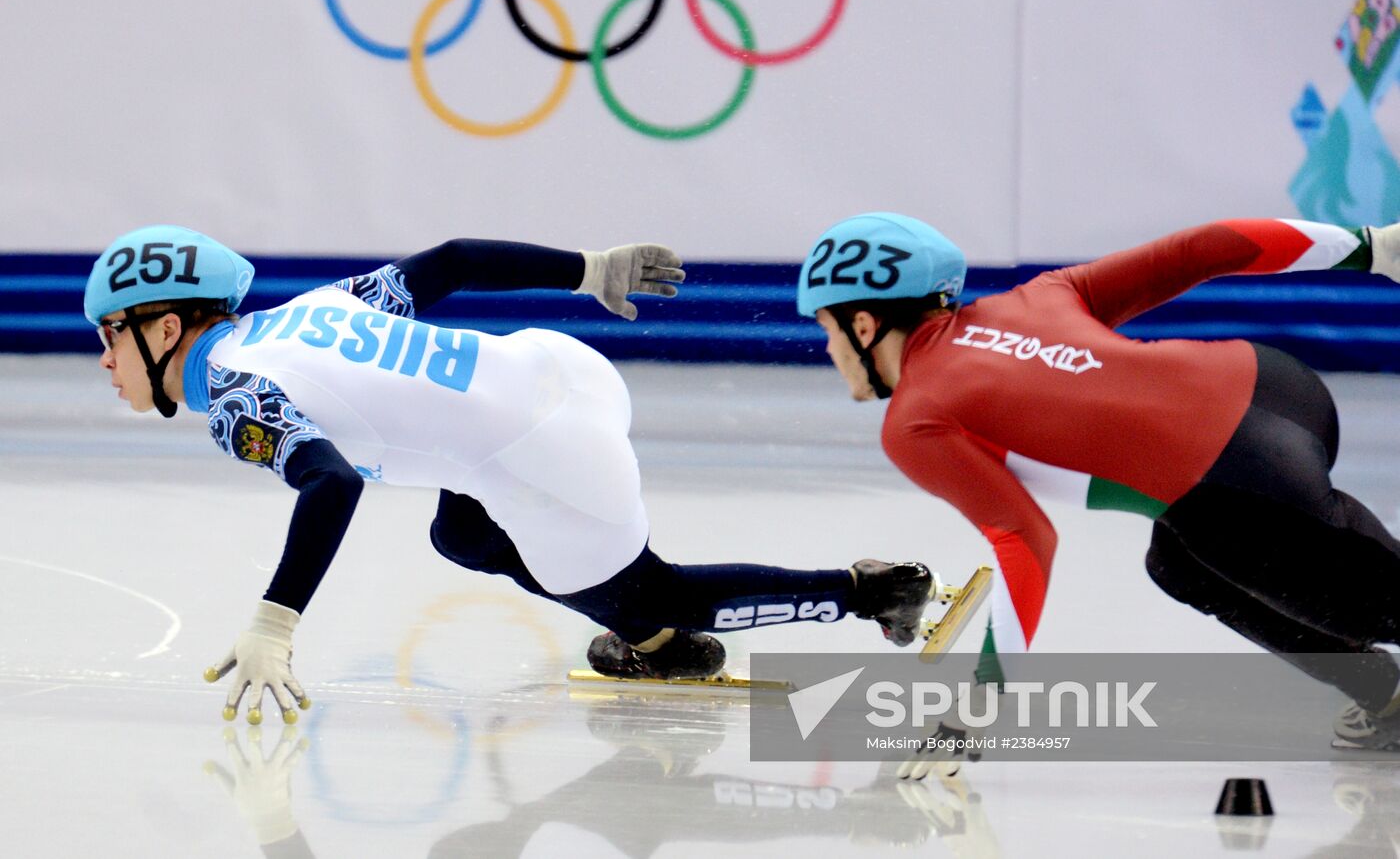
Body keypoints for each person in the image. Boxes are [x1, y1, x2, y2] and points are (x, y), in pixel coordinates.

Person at [86, 226, 933, 724]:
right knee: (458, 532)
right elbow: (450, 260)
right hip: (555, 369)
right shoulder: (309, 309)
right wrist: (589, 270)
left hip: (546, 456)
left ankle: (865, 593)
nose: (103, 359)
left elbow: (333, 483)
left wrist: (274, 623)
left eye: (109, 335)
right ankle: (649, 634)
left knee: (658, 596)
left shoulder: (238, 397)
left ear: (164, 330)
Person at [796, 211, 1400, 754]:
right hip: (1278, 387)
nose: (829, 348)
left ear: (866, 325)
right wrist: (1371, 247)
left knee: (1371, 606)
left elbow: (1025, 540)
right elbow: (1205, 247)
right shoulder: (1035, 297)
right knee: (1179, 565)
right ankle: (1386, 691)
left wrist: (981, 700)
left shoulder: (916, 419)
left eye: (827, 327)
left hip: (1239, 485)